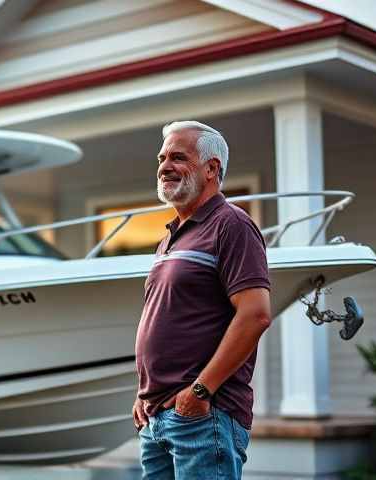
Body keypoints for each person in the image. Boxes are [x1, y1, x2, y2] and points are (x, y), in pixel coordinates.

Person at [132, 121, 272, 479]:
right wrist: (143, 394)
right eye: (162, 157)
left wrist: (199, 392)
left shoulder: (232, 225)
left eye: (179, 157)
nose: (165, 165)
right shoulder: (170, 238)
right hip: (158, 417)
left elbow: (255, 315)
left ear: (212, 168)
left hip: (202, 417)